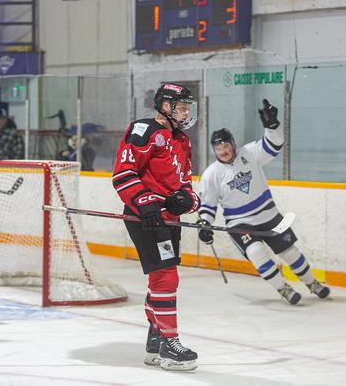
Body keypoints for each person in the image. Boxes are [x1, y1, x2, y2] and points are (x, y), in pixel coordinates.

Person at [198, 100, 330, 305]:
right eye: (218, 148)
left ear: (233, 144)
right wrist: (205, 223)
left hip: (269, 215)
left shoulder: (250, 153)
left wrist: (272, 127)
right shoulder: (211, 174)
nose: (223, 151)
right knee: (256, 252)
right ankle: (283, 288)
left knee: (289, 252)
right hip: (239, 223)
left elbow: (274, 145)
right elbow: (208, 204)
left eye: (226, 146)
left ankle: (312, 283)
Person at [112, 83, 200, 371]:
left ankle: (156, 340)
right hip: (146, 217)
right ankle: (169, 343)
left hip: (169, 219)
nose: (186, 112)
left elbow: (185, 183)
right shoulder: (143, 130)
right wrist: (145, 202)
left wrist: (186, 200)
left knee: (162, 279)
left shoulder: (182, 140)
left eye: (187, 107)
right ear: (165, 106)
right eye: (181, 107)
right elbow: (123, 174)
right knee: (165, 277)